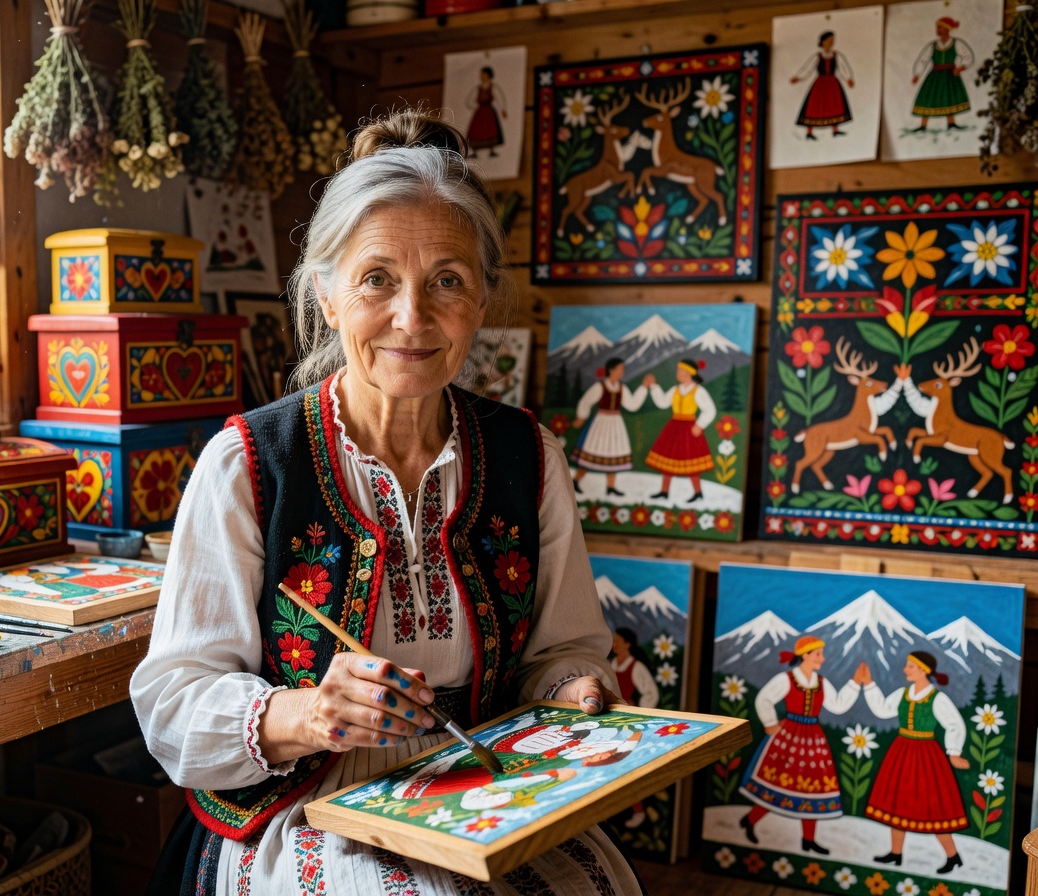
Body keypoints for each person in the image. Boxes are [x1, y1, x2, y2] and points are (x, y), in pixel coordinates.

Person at [131, 108, 643, 895]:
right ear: (327, 297)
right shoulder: (247, 465)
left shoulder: (526, 456)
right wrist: (309, 713)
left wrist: (577, 689)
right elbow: (174, 704)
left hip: (488, 788)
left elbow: (563, 650)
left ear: (480, 302)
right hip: (305, 805)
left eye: (448, 281)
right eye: (377, 279)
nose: (413, 317)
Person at [739, 636, 865, 855]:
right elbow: (764, 699)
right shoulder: (787, 679)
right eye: (818, 654)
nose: (822, 658)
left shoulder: (821, 682)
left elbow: (837, 706)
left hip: (813, 739)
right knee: (778, 783)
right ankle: (750, 820)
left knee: (813, 788)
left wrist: (854, 683)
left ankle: (808, 840)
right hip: (789, 736)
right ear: (805, 655)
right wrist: (770, 723)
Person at [860, 651, 970, 875]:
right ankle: (896, 853)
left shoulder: (936, 698)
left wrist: (953, 752)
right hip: (901, 752)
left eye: (910, 666)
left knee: (935, 807)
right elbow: (882, 710)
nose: (905, 670)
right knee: (897, 802)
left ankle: (953, 855)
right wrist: (870, 685)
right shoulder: (903, 694)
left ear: (923, 670)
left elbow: (954, 724)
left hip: (927, 755)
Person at [642, 360, 716, 503]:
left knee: (691, 460)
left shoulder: (698, 390)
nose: (678, 374)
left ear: (690, 373)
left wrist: (700, 425)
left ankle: (698, 492)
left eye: (681, 371)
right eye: (678, 371)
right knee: (668, 459)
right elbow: (663, 403)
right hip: (674, 428)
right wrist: (654, 387)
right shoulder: (675, 389)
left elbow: (710, 409)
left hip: (690, 428)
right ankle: (664, 491)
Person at [571, 358, 647, 497]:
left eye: (622, 369)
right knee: (593, 451)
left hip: (615, 423)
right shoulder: (600, 386)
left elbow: (632, 405)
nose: (621, 372)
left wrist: (643, 388)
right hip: (601, 423)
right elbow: (586, 401)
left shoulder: (622, 388)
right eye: (620, 369)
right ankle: (575, 480)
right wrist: (581, 416)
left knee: (613, 453)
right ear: (611, 370)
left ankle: (610, 486)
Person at [609, 627, 658, 828]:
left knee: (630, 765)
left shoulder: (636, 667)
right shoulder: (611, 664)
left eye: (618, 641)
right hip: (612, 719)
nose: (615, 644)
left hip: (629, 720)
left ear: (628, 644)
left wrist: (639, 712)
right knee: (611, 763)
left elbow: (651, 693)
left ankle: (638, 810)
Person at [910, 17, 975, 132]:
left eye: (940, 27)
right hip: (935, 74)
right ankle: (923, 125)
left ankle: (951, 124)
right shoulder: (933, 45)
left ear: (947, 29)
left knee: (949, 97)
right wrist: (917, 74)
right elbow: (923, 60)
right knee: (928, 97)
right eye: (937, 27)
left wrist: (960, 68)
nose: (937, 29)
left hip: (950, 75)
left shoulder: (956, 43)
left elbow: (968, 56)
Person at [791, 31, 855, 140]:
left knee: (834, 105)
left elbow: (842, 68)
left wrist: (848, 78)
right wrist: (799, 77)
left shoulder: (836, 55)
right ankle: (809, 132)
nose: (832, 42)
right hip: (820, 84)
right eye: (830, 39)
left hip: (832, 83)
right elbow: (808, 68)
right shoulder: (818, 56)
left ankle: (835, 130)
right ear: (823, 41)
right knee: (814, 106)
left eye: (832, 40)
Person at [464, 66, 506, 158]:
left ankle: (492, 150)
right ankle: (474, 151)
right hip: (480, 112)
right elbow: (469, 101)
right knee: (477, 130)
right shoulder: (477, 88)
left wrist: (502, 109)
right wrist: (475, 106)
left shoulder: (493, 87)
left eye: (483, 74)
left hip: (489, 111)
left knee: (491, 129)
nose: (481, 76)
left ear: (488, 75)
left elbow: (499, 98)